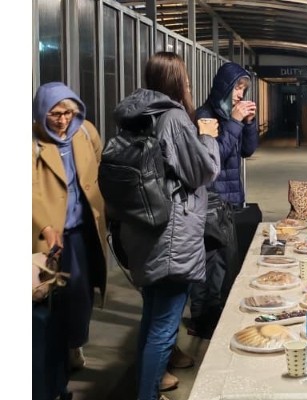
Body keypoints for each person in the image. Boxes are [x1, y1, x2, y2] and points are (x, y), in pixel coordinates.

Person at [113, 51, 220, 400]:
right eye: (185, 77)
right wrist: (207, 136)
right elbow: (203, 171)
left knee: (152, 316)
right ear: (175, 80)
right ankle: (147, 394)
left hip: (144, 228)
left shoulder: (136, 116)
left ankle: (146, 389)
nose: (189, 82)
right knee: (164, 325)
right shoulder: (173, 117)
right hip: (172, 235)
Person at [32, 82, 108, 399]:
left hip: (83, 231)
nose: (63, 120)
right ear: (41, 113)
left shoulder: (86, 132)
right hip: (48, 240)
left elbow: (99, 170)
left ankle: (70, 351)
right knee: (47, 311)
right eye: (54, 114)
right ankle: (52, 381)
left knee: (79, 298)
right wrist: (45, 226)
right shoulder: (32, 142)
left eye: (68, 113)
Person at [188, 61, 258, 338]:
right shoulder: (205, 116)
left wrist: (248, 124)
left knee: (225, 264)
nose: (240, 94)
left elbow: (247, 151)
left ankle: (216, 315)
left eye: (243, 89)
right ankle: (201, 320)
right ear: (224, 87)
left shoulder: (230, 116)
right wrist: (235, 122)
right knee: (209, 264)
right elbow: (213, 158)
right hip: (211, 202)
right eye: (237, 88)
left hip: (230, 201)